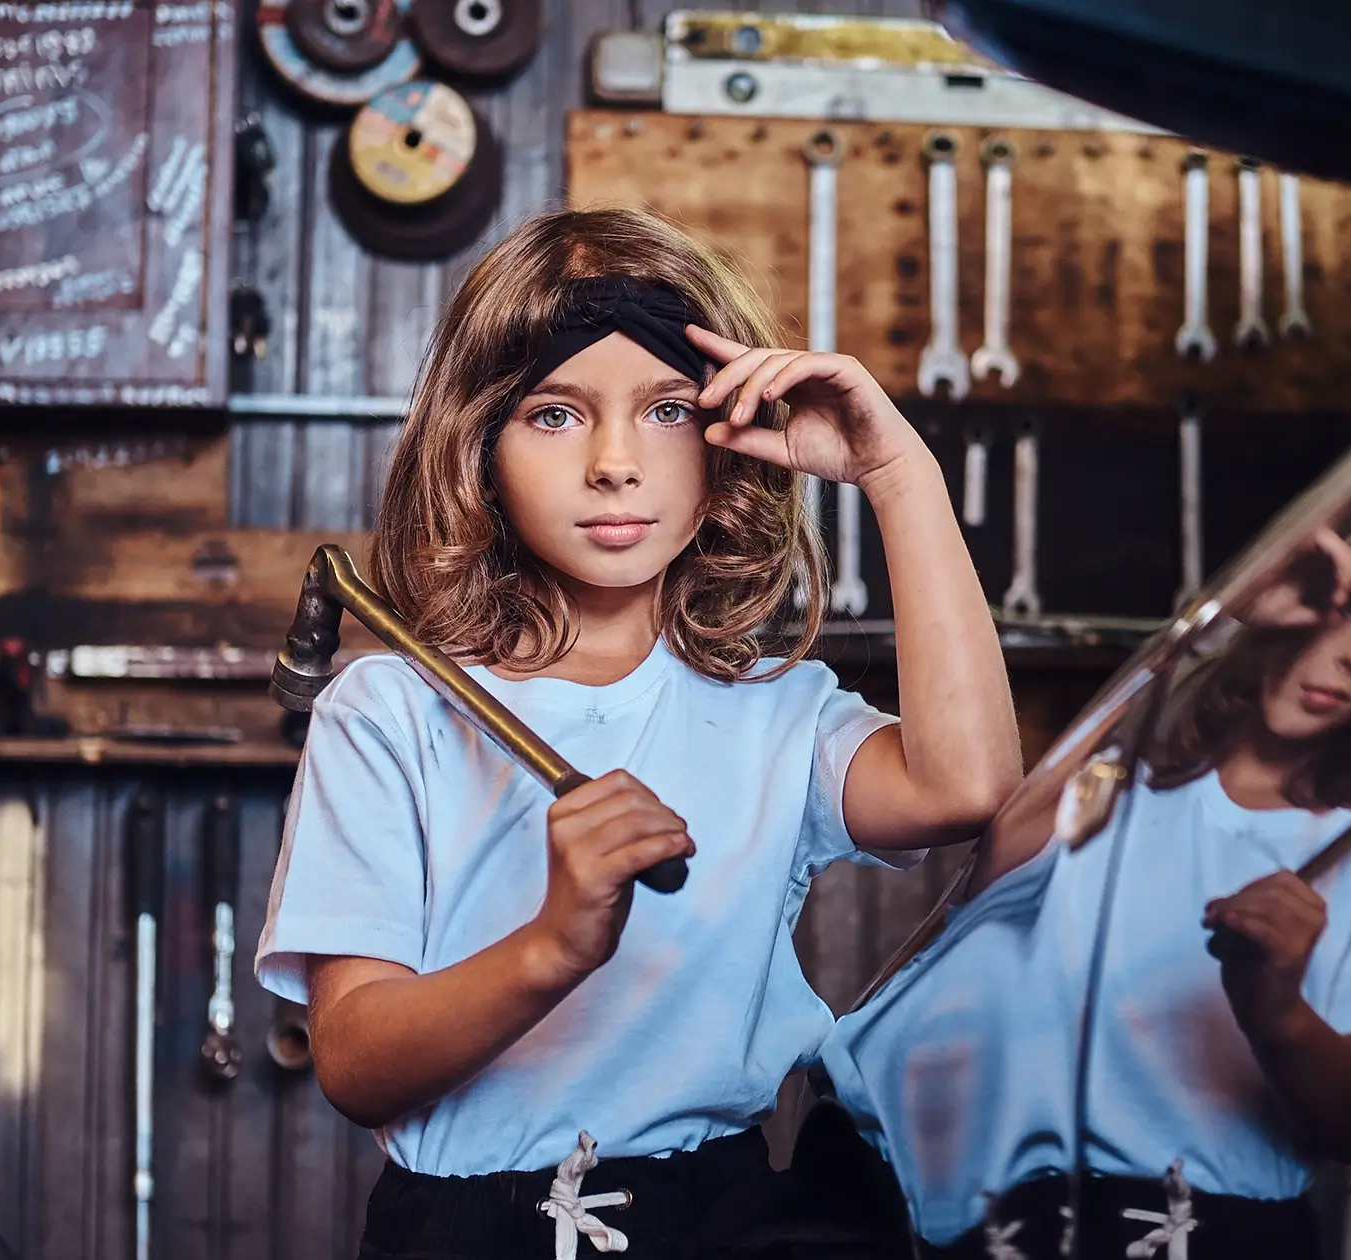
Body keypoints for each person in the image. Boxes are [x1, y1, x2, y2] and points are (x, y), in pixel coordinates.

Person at [252, 206, 1020, 1260]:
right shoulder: (393, 710)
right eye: (556, 415)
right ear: (477, 450)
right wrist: (551, 946)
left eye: (665, 410)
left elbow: (967, 788)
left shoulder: (776, 712)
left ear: (723, 449)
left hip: (722, 1215)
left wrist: (900, 475)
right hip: (473, 1233)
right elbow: (351, 1059)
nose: (615, 462)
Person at [822, 475, 1351, 1259]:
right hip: (954, 1218)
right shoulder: (1110, 794)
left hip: (1202, 1231)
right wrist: (1214, 621)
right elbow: (1000, 843)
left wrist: (1279, 1009)